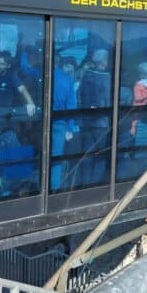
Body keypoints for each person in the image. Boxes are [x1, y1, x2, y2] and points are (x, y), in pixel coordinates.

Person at [78, 49, 112, 186]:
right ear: (104, 61)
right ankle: (96, 186)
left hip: (86, 122)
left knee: (87, 157)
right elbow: (108, 101)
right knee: (100, 157)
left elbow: (80, 97)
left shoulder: (86, 76)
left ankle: (84, 185)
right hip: (101, 123)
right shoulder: (106, 78)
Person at [0, 51, 37, 116]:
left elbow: (22, 89)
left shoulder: (11, 77)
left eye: (2, 64)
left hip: (6, 115)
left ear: (8, 66)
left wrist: (30, 103)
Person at [50, 56, 78, 190]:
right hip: (60, 125)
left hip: (41, 124)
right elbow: (71, 105)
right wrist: (70, 129)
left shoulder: (45, 74)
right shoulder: (67, 80)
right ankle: (54, 190)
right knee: (56, 161)